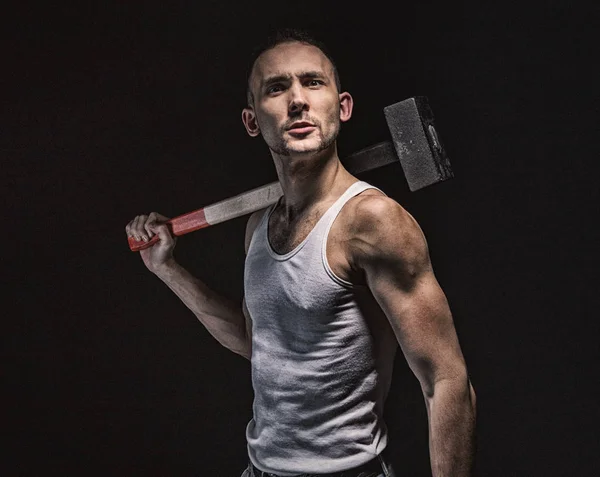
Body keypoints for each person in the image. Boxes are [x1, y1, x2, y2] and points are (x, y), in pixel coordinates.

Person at [125, 28, 476, 477]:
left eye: (313, 82)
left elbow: (446, 381)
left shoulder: (372, 222)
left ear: (342, 106)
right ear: (253, 121)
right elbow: (261, 344)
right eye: (277, 87)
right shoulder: (257, 228)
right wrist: (168, 269)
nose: (297, 100)